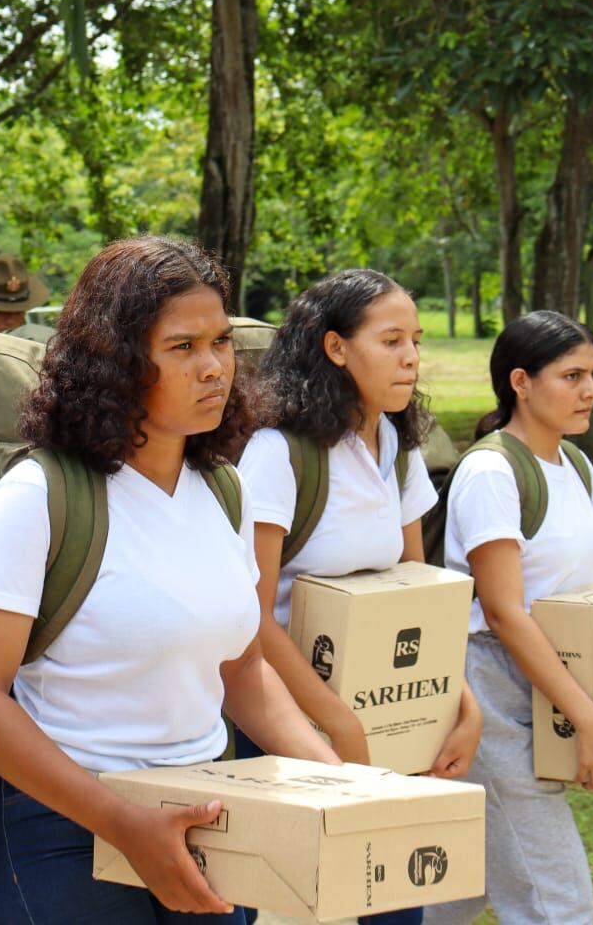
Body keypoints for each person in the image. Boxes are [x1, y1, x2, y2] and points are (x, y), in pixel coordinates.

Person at [0, 236, 337, 924]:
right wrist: (122, 822)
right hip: (62, 828)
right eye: (182, 348)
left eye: (220, 342)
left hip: (209, 813)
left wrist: (332, 777)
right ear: (114, 363)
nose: (214, 367)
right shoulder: (35, 499)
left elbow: (242, 673)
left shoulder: (225, 493)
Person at [426, 312, 593, 925]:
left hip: (549, 681)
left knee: (458, 887)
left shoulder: (574, 465)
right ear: (520, 381)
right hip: (491, 691)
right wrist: (590, 718)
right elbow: (503, 612)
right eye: (572, 375)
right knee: (557, 903)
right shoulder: (491, 473)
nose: (590, 390)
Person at [235, 269, 483, 925]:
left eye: (417, 341)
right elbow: (250, 619)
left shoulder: (396, 447)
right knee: (282, 904)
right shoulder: (278, 455)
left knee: (393, 902)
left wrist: (461, 703)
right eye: (392, 339)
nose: (411, 357)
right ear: (337, 348)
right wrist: (336, 724)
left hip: (383, 712)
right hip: (278, 725)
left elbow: (417, 596)